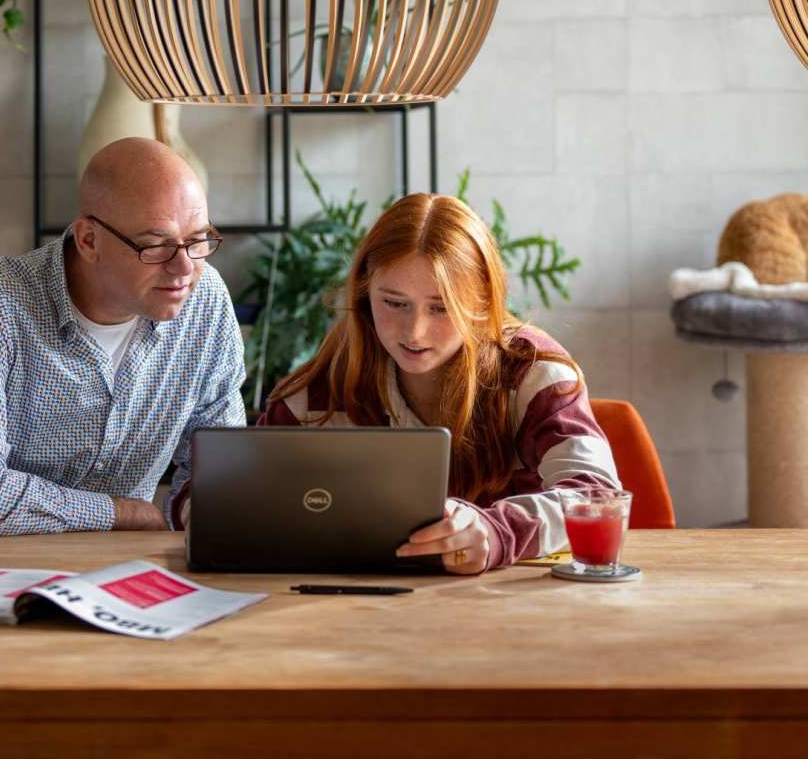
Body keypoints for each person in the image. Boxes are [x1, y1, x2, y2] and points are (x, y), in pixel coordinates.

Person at [259, 192, 620, 574]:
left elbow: (597, 498)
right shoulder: (324, 385)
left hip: (512, 610)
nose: (414, 332)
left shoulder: (532, 372)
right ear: (365, 295)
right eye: (394, 303)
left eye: (441, 307)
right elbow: (234, 501)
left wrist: (496, 532)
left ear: (481, 302)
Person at [0, 138, 244, 536]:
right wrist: (125, 514)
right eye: (155, 245)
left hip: (113, 569)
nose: (184, 267)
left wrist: (199, 508)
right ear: (89, 241)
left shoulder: (205, 301)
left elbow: (220, 467)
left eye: (198, 240)